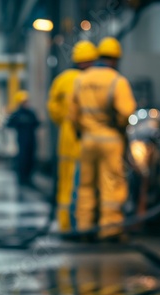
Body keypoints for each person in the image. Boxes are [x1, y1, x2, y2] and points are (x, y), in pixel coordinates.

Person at [69, 37, 136, 241]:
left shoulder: (81, 79)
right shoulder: (117, 80)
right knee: (111, 185)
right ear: (116, 59)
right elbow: (126, 111)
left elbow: (72, 115)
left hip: (88, 140)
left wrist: (82, 131)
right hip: (110, 140)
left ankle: (84, 228)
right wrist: (119, 126)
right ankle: (110, 230)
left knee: (86, 186)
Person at [47, 40, 99, 234]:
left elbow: (53, 108)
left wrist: (65, 121)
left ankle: (66, 225)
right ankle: (89, 225)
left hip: (67, 138)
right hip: (89, 137)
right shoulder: (95, 79)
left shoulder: (63, 79)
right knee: (88, 184)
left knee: (66, 183)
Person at [6, 91, 40, 186]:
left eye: (27, 101)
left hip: (31, 140)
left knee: (30, 159)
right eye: (24, 102)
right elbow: (9, 124)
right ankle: (22, 178)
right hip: (22, 141)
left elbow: (36, 123)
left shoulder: (31, 113)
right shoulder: (17, 114)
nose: (26, 103)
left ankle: (29, 178)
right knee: (22, 159)